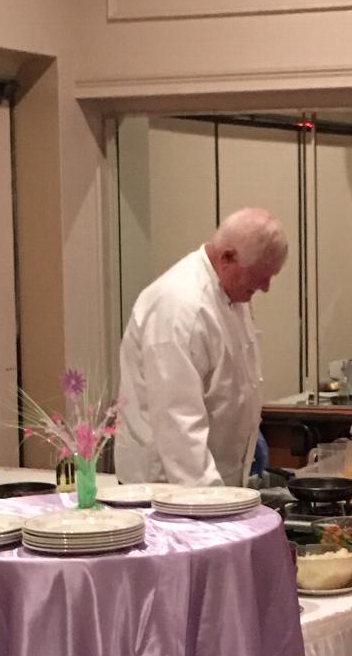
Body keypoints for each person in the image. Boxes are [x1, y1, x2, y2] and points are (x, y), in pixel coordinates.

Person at [116, 209, 288, 487]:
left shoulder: (232, 294)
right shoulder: (180, 307)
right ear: (227, 257)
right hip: (168, 488)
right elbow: (179, 428)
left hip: (216, 479)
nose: (266, 287)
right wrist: (214, 501)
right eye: (259, 275)